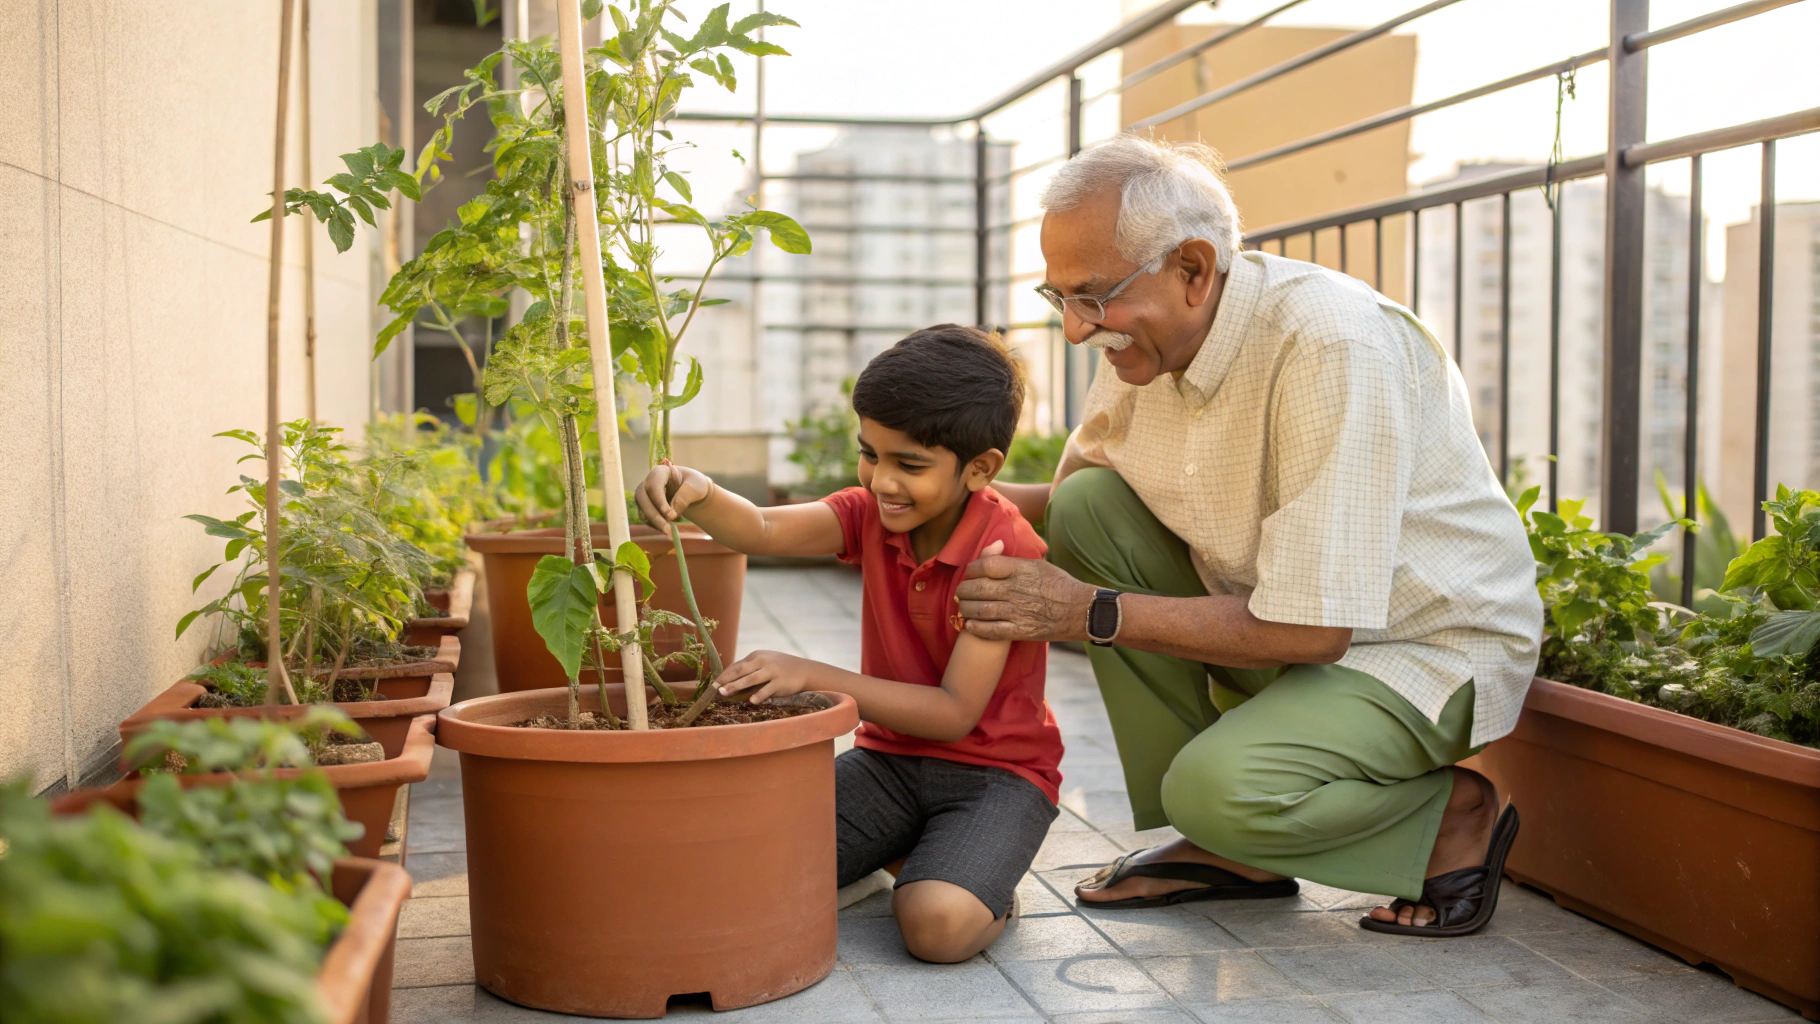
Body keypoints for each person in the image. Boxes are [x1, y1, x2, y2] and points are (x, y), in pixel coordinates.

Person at [959, 134, 1543, 937]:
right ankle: (1233, 848)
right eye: (1061, 299)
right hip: (1278, 626)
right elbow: (1067, 504)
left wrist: (1082, 611)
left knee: (1212, 787)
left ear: (1194, 270)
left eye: (1092, 297)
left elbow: (1313, 626)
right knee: (1091, 507)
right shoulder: (1144, 336)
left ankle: (1447, 819)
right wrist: (928, 494)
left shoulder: (1331, 345)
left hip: (1416, 649)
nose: (1076, 331)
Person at [635, 325, 1061, 962]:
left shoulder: (1002, 555)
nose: (882, 480)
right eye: (871, 454)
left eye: (909, 464)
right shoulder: (870, 512)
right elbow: (759, 529)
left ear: (981, 469)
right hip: (887, 765)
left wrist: (809, 673)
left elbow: (953, 713)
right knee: (736, 867)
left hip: (997, 778)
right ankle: (924, 852)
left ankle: (980, 886)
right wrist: (699, 491)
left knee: (936, 926)